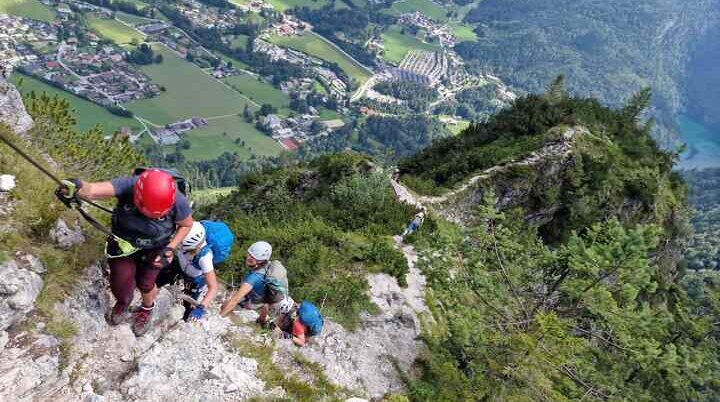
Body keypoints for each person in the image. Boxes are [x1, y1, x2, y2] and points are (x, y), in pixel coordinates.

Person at [57, 169, 193, 336]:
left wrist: (171, 247)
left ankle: (147, 309)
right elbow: (92, 190)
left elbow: (186, 224)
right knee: (120, 282)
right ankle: (123, 302)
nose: (150, 216)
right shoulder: (130, 185)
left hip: (156, 247)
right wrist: (75, 186)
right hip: (123, 243)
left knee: (146, 283)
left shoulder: (178, 200)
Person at [155, 221, 219, 321]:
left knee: (188, 305)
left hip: (195, 281)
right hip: (180, 269)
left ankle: (185, 319)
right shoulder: (184, 238)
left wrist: (201, 307)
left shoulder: (205, 257)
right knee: (159, 279)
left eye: (181, 245)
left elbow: (213, 287)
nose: (178, 245)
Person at [219, 241, 288, 324]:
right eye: (249, 254)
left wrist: (219, 317)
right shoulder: (268, 266)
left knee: (225, 306)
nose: (249, 258)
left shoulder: (253, 278)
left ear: (260, 261)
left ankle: (241, 323)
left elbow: (235, 300)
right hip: (262, 301)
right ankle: (261, 320)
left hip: (254, 303)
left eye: (253, 257)